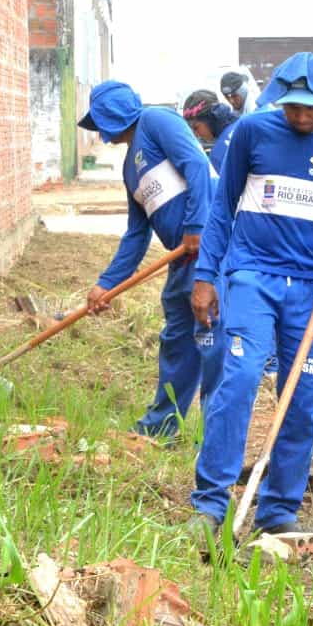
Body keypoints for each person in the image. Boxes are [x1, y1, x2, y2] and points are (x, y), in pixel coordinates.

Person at [188, 53, 313, 541]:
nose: (299, 115)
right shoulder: (252, 132)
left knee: (302, 395)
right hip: (252, 276)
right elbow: (222, 209)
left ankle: (278, 508)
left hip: (312, 286)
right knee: (239, 379)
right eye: (292, 105)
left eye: (309, 107)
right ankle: (211, 502)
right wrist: (206, 276)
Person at [76, 80, 223, 440]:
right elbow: (136, 234)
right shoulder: (130, 170)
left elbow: (196, 166)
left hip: (210, 246)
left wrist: (196, 225)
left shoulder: (157, 121)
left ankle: (217, 437)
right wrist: (107, 284)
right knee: (176, 338)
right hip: (182, 257)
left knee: (212, 337)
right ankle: (161, 427)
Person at [182, 89, 237, 171]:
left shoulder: (218, 155)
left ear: (209, 119)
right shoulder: (243, 123)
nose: (195, 134)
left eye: (196, 127)